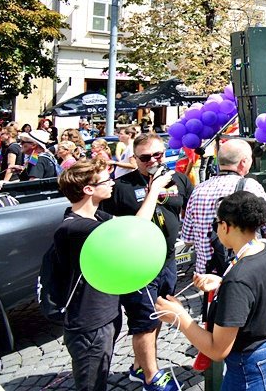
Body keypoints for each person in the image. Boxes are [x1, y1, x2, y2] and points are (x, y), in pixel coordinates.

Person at [156, 192, 266, 391]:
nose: (216, 229)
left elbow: (218, 350)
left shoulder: (238, 279)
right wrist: (222, 282)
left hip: (251, 368)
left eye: (215, 224)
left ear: (225, 226)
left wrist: (180, 316)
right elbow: (257, 285)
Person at [56, 158, 165, 391]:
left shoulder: (97, 218)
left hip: (106, 313)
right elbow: (136, 228)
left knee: (101, 373)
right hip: (88, 321)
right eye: (107, 180)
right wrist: (154, 189)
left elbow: (128, 223)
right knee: (92, 384)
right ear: (88, 189)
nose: (113, 183)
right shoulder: (75, 228)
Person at [101, 133, 192, 390]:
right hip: (138, 263)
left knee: (160, 312)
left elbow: (188, 210)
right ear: (135, 158)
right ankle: (151, 377)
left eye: (158, 155)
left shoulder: (179, 180)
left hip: (168, 259)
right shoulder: (121, 188)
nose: (153, 160)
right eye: (145, 157)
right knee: (144, 319)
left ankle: (140, 365)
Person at [181, 139, 266, 276]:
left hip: (208, 277)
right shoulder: (249, 186)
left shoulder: (198, 189)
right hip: (243, 274)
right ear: (243, 162)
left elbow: (188, 239)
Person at [0, 124, 24, 189]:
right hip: (12, 179)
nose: (0, 135)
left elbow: (10, 167)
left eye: (2, 134)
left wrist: (4, 182)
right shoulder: (15, 146)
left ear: (8, 135)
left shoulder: (12, 148)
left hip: (11, 181)